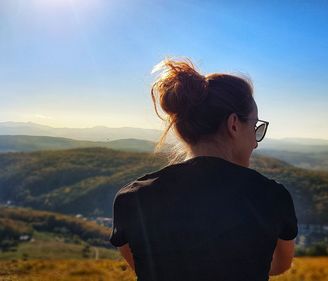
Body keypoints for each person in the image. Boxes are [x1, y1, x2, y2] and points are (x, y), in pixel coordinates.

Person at [109, 58, 298, 281]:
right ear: (234, 124)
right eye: (255, 126)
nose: (256, 142)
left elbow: (142, 266)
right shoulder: (272, 197)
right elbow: (281, 264)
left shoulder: (132, 198)